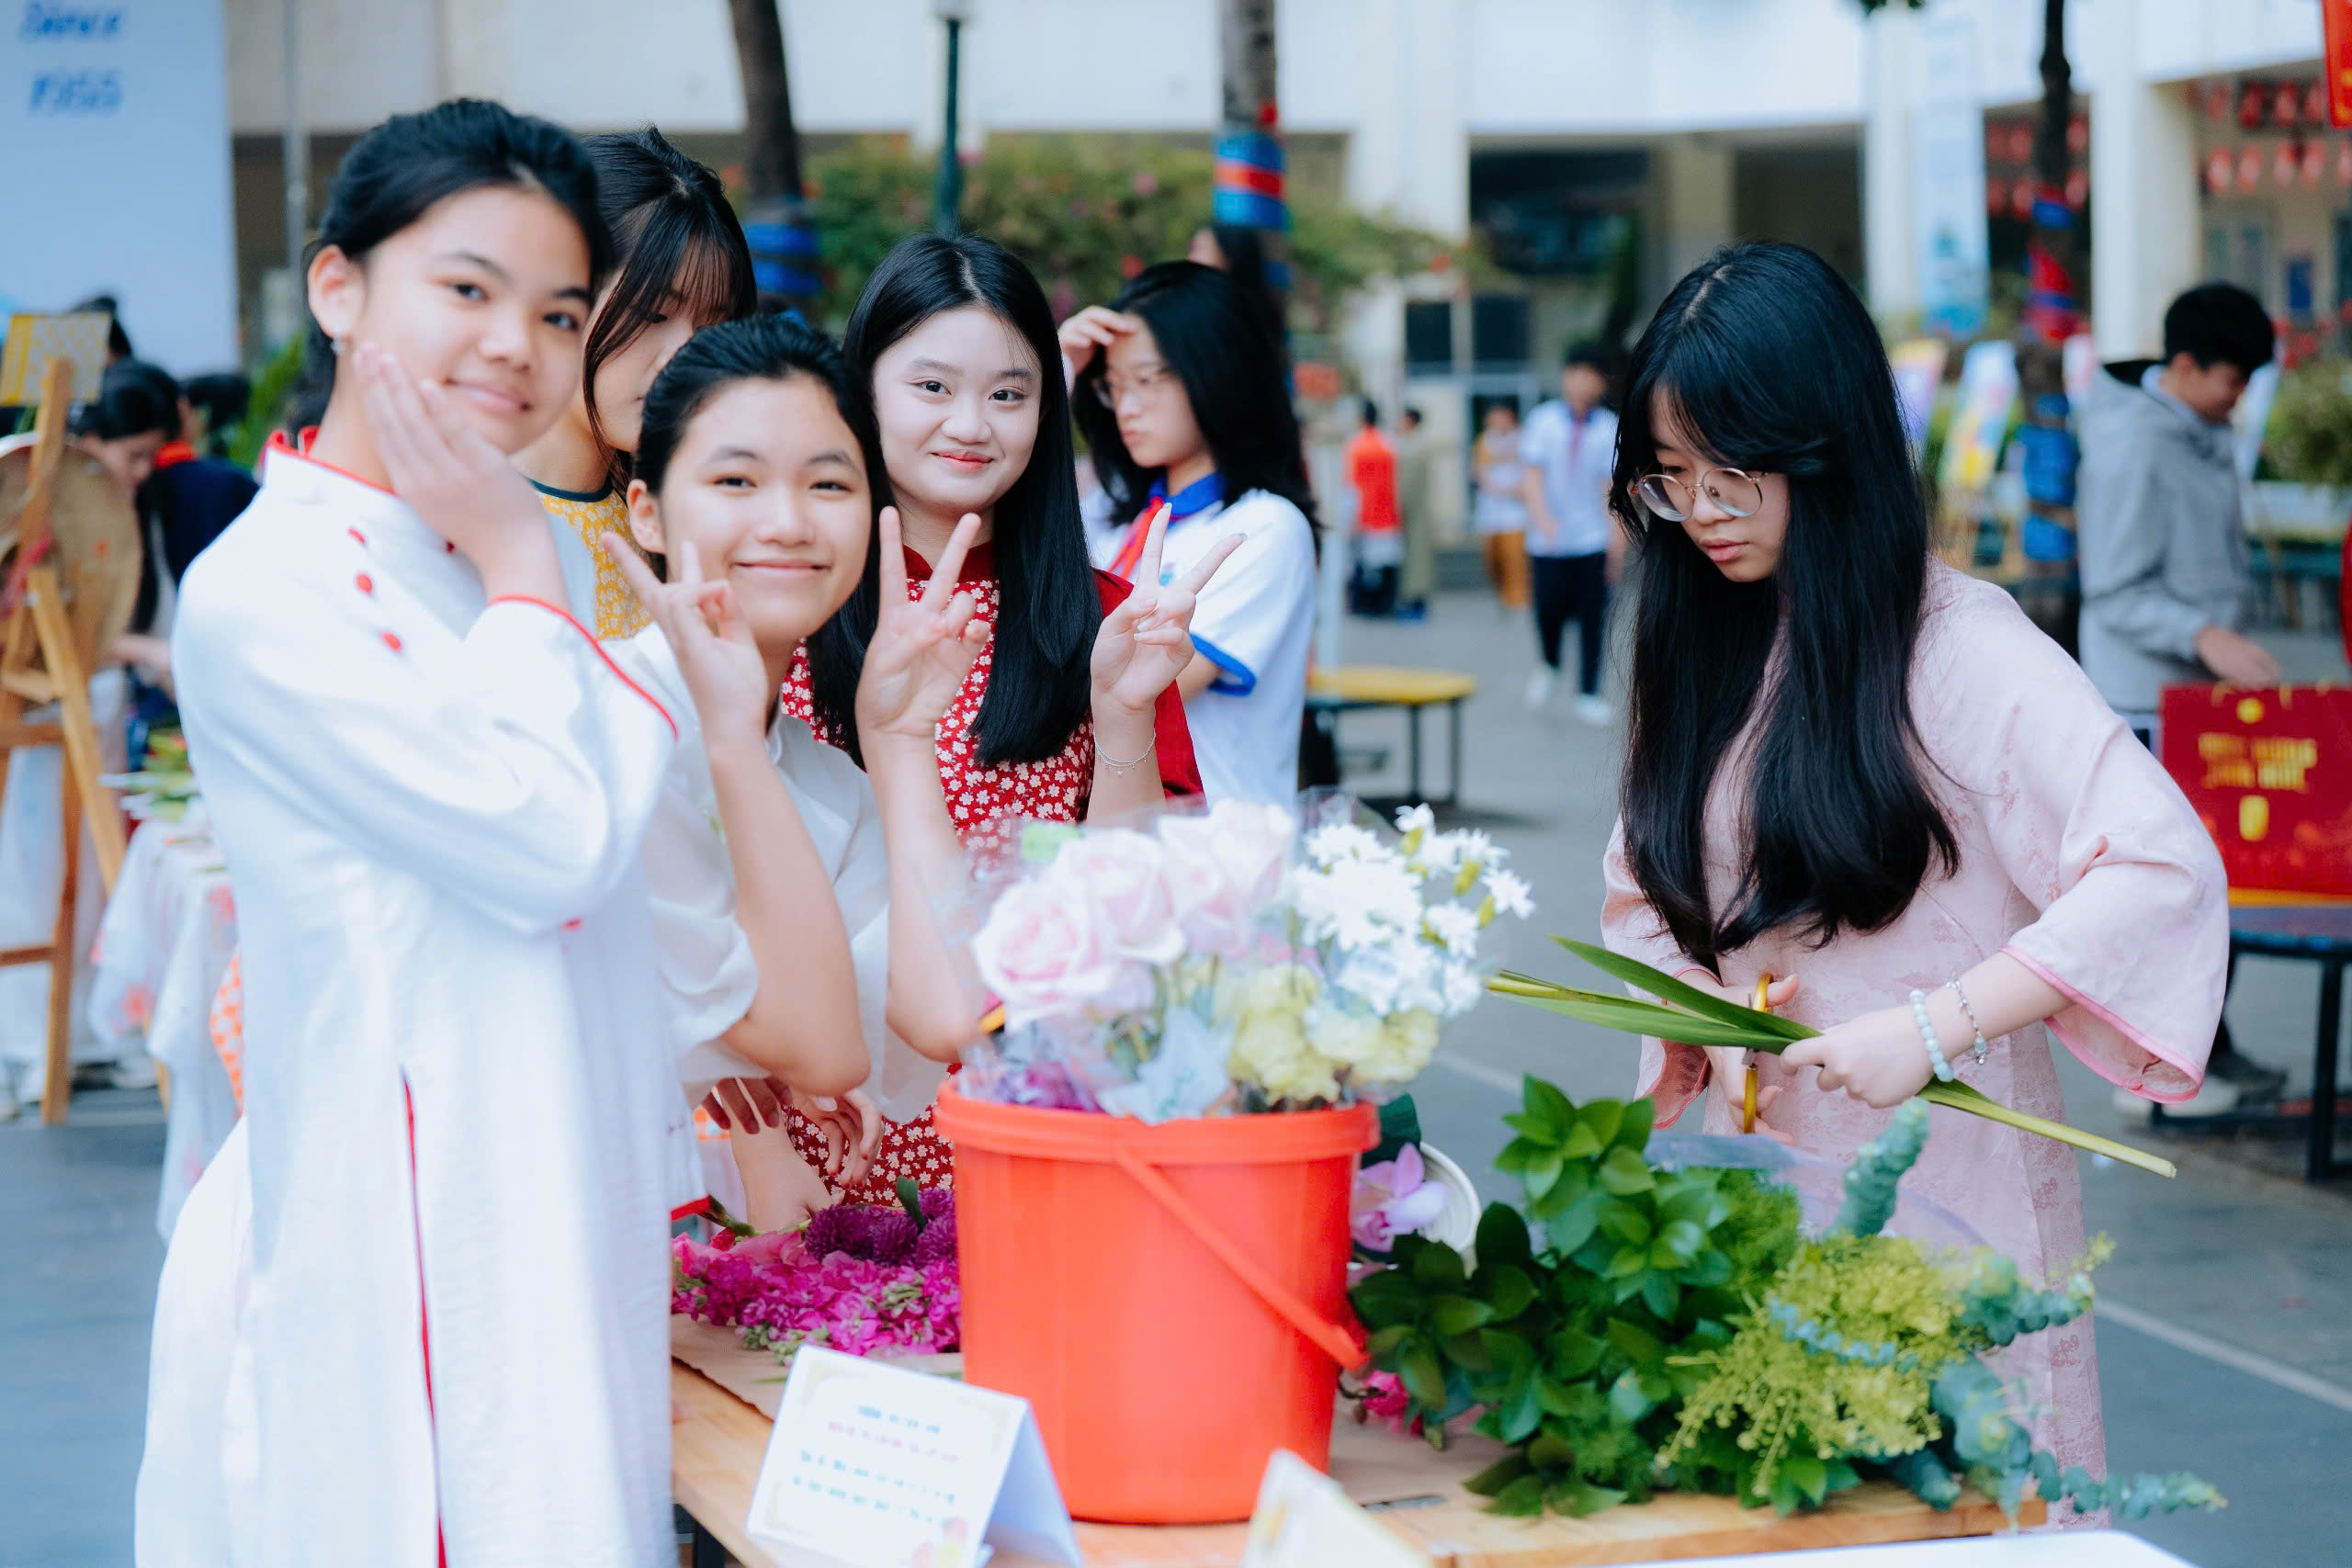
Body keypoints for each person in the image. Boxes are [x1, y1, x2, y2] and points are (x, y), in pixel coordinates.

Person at [153, 100, 705, 1567]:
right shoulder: (272, 590)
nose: (514, 344)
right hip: (419, 1233)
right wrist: (528, 556)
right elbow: (552, 842)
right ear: (339, 289)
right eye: (467, 287)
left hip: (552, 1189)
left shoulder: (477, 556)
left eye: (559, 311)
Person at [1600, 242, 2228, 1520]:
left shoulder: (1964, 649)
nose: (1703, 510)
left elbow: (2160, 866)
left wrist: (1935, 1027)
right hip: (1760, 1185)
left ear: (1825, 448)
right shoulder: (1707, 638)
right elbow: (1643, 887)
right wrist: (1696, 1018)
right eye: (1671, 478)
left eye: (1732, 470)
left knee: (1956, 1516)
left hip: (1953, 1197)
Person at [771, 233, 1231, 1207]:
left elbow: (1135, 912)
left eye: (1009, 394)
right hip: (806, 1127)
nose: (971, 425)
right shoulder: (785, 606)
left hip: (1032, 1129)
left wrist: (1122, 717)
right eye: (932, 387)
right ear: (862, 389)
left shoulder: (1110, 619)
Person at [2077, 282, 2283, 1106]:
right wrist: (2206, 636)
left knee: (2222, 883)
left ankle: (2200, 1054)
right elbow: (2114, 589)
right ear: (2188, 365)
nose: (2240, 396)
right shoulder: (2132, 444)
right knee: (2174, 891)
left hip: (2204, 702)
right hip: (2148, 706)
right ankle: (2151, 1077)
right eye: (2234, 379)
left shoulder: (2201, 430)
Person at [1066, 259, 1320, 804]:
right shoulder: (1107, 515)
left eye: (1147, 379)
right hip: (1108, 830)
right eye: (1113, 386)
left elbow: (1144, 689)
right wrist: (1054, 373)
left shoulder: (1263, 528)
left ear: (1216, 370)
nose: (1127, 407)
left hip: (1215, 840)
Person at [518, 126, 757, 639]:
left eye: (712, 327)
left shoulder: (680, 521)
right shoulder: (461, 514)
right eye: (651, 314)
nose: (684, 357)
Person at [1520, 343, 1621, 722]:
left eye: (1590, 376)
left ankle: (1588, 693)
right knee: (1547, 609)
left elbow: (1610, 490)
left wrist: (1616, 543)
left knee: (1594, 618)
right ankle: (1549, 664)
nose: (1581, 383)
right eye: (1575, 374)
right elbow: (1532, 478)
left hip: (1590, 539)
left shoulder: (1608, 427)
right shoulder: (1542, 421)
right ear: (1565, 377)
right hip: (1547, 540)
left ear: (1601, 382)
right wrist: (1542, 519)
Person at [1345, 399, 1402, 617]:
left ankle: (1364, 606)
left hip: (1366, 515)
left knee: (1363, 564)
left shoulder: (1356, 445)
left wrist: (1351, 517)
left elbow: (1352, 486)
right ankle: (1386, 605)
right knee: (1387, 564)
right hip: (1388, 514)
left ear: (1361, 418)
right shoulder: (1389, 443)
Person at [1473, 400, 1531, 611]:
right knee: (1493, 557)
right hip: (1491, 511)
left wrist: (1517, 490)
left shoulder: (1524, 439)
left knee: (1514, 557)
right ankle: (1502, 593)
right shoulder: (1484, 442)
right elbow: (1478, 472)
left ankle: (1518, 598)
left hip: (1516, 512)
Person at [1395, 405, 1435, 621]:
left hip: (1414, 513)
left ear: (1410, 422)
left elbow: (1406, 488)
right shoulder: (1411, 445)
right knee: (1415, 559)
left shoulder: (1413, 448)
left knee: (1416, 561)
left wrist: (1396, 508)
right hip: (1415, 512)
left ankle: (1416, 603)